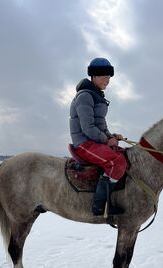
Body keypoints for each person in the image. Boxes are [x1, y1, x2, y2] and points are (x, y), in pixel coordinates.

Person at [69, 57, 126, 216]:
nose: (107, 80)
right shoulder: (85, 96)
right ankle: (100, 205)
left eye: (109, 77)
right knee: (117, 161)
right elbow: (87, 128)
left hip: (94, 140)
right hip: (84, 143)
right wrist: (107, 140)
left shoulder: (97, 96)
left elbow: (101, 124)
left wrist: (110, 136)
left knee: (122, 154)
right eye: (103, 76)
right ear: (93, 76)